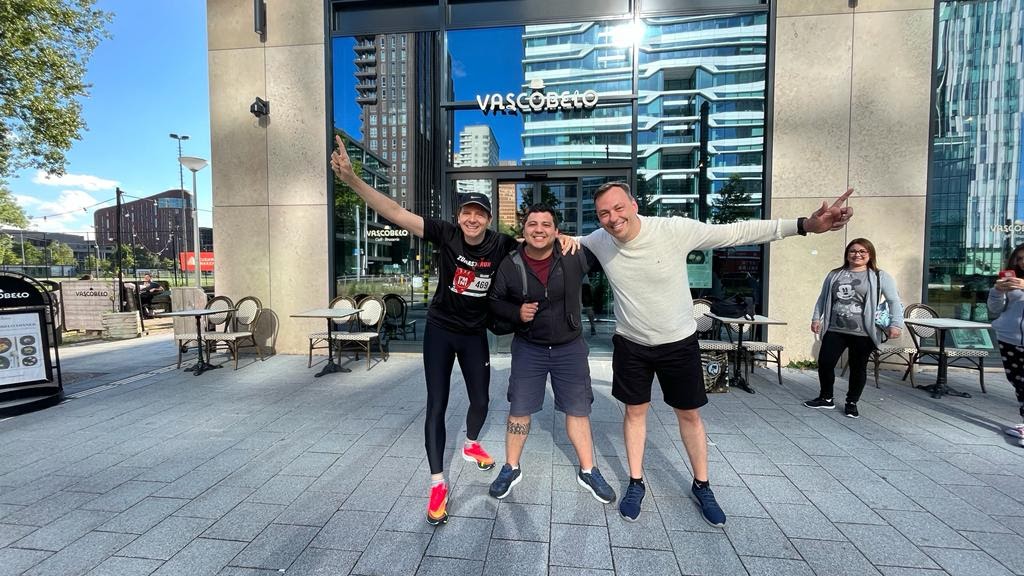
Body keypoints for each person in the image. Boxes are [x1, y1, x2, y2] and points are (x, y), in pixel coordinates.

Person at [330, 135, 574, 525]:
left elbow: (536, 242)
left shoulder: (500, 244)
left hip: (475, 333)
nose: (472, 219)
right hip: (440, 331)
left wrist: (563, 236)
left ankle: (472, 444)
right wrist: (352, 180)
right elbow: (394, 211)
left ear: (489, 219)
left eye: (479, 214)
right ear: (459, 216)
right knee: (437, 404)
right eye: (467, 213)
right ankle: (437, 483)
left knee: (481, 402)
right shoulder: (445, 234)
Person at [579, 181, 853, 526]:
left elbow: (736, 232)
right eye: (604, 213)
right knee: (634, 413)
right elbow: (554, 242)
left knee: (689, 415)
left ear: (633, 205)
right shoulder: (599, 240)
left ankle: (702, 485)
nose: (612, 217)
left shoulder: (672, 230)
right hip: (631, 344)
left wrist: (804, 225)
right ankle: (636, 482)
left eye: (618, 207)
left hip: (677, 343)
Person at [487, 205, 615, 504]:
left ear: (557, 231)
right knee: (519, 409)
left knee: (578, 409)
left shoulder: (574, 254)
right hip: (528, 347)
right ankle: (511, 467)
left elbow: (611, 242)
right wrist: (516, 312)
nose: (539, 229)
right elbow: (493, 300)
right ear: (524, 230)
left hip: (569, 347)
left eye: (546, 224)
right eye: (533, 224)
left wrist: (576, 239)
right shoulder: (510, 263)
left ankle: (588, 470)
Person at [803, 238, 903, 418]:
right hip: (835, 329)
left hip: (863, 332)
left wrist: (896, 324)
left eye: (862, 251)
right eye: (853, 251)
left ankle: (851, 402)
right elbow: (823, 298)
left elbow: (893, 301)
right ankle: (826, 398)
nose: (857, 254)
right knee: (825, 363)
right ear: (847, 254)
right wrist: (816, 318)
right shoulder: (835, 274)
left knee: (858, 368)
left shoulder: (879, 276)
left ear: (870, 254)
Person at [987, 243, 1024, 443]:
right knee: (1017, 382)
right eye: (1019, 258)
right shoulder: (1012, 280)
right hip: (1008, 338)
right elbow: (994, 309)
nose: (1022, 262)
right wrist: (997, 291)